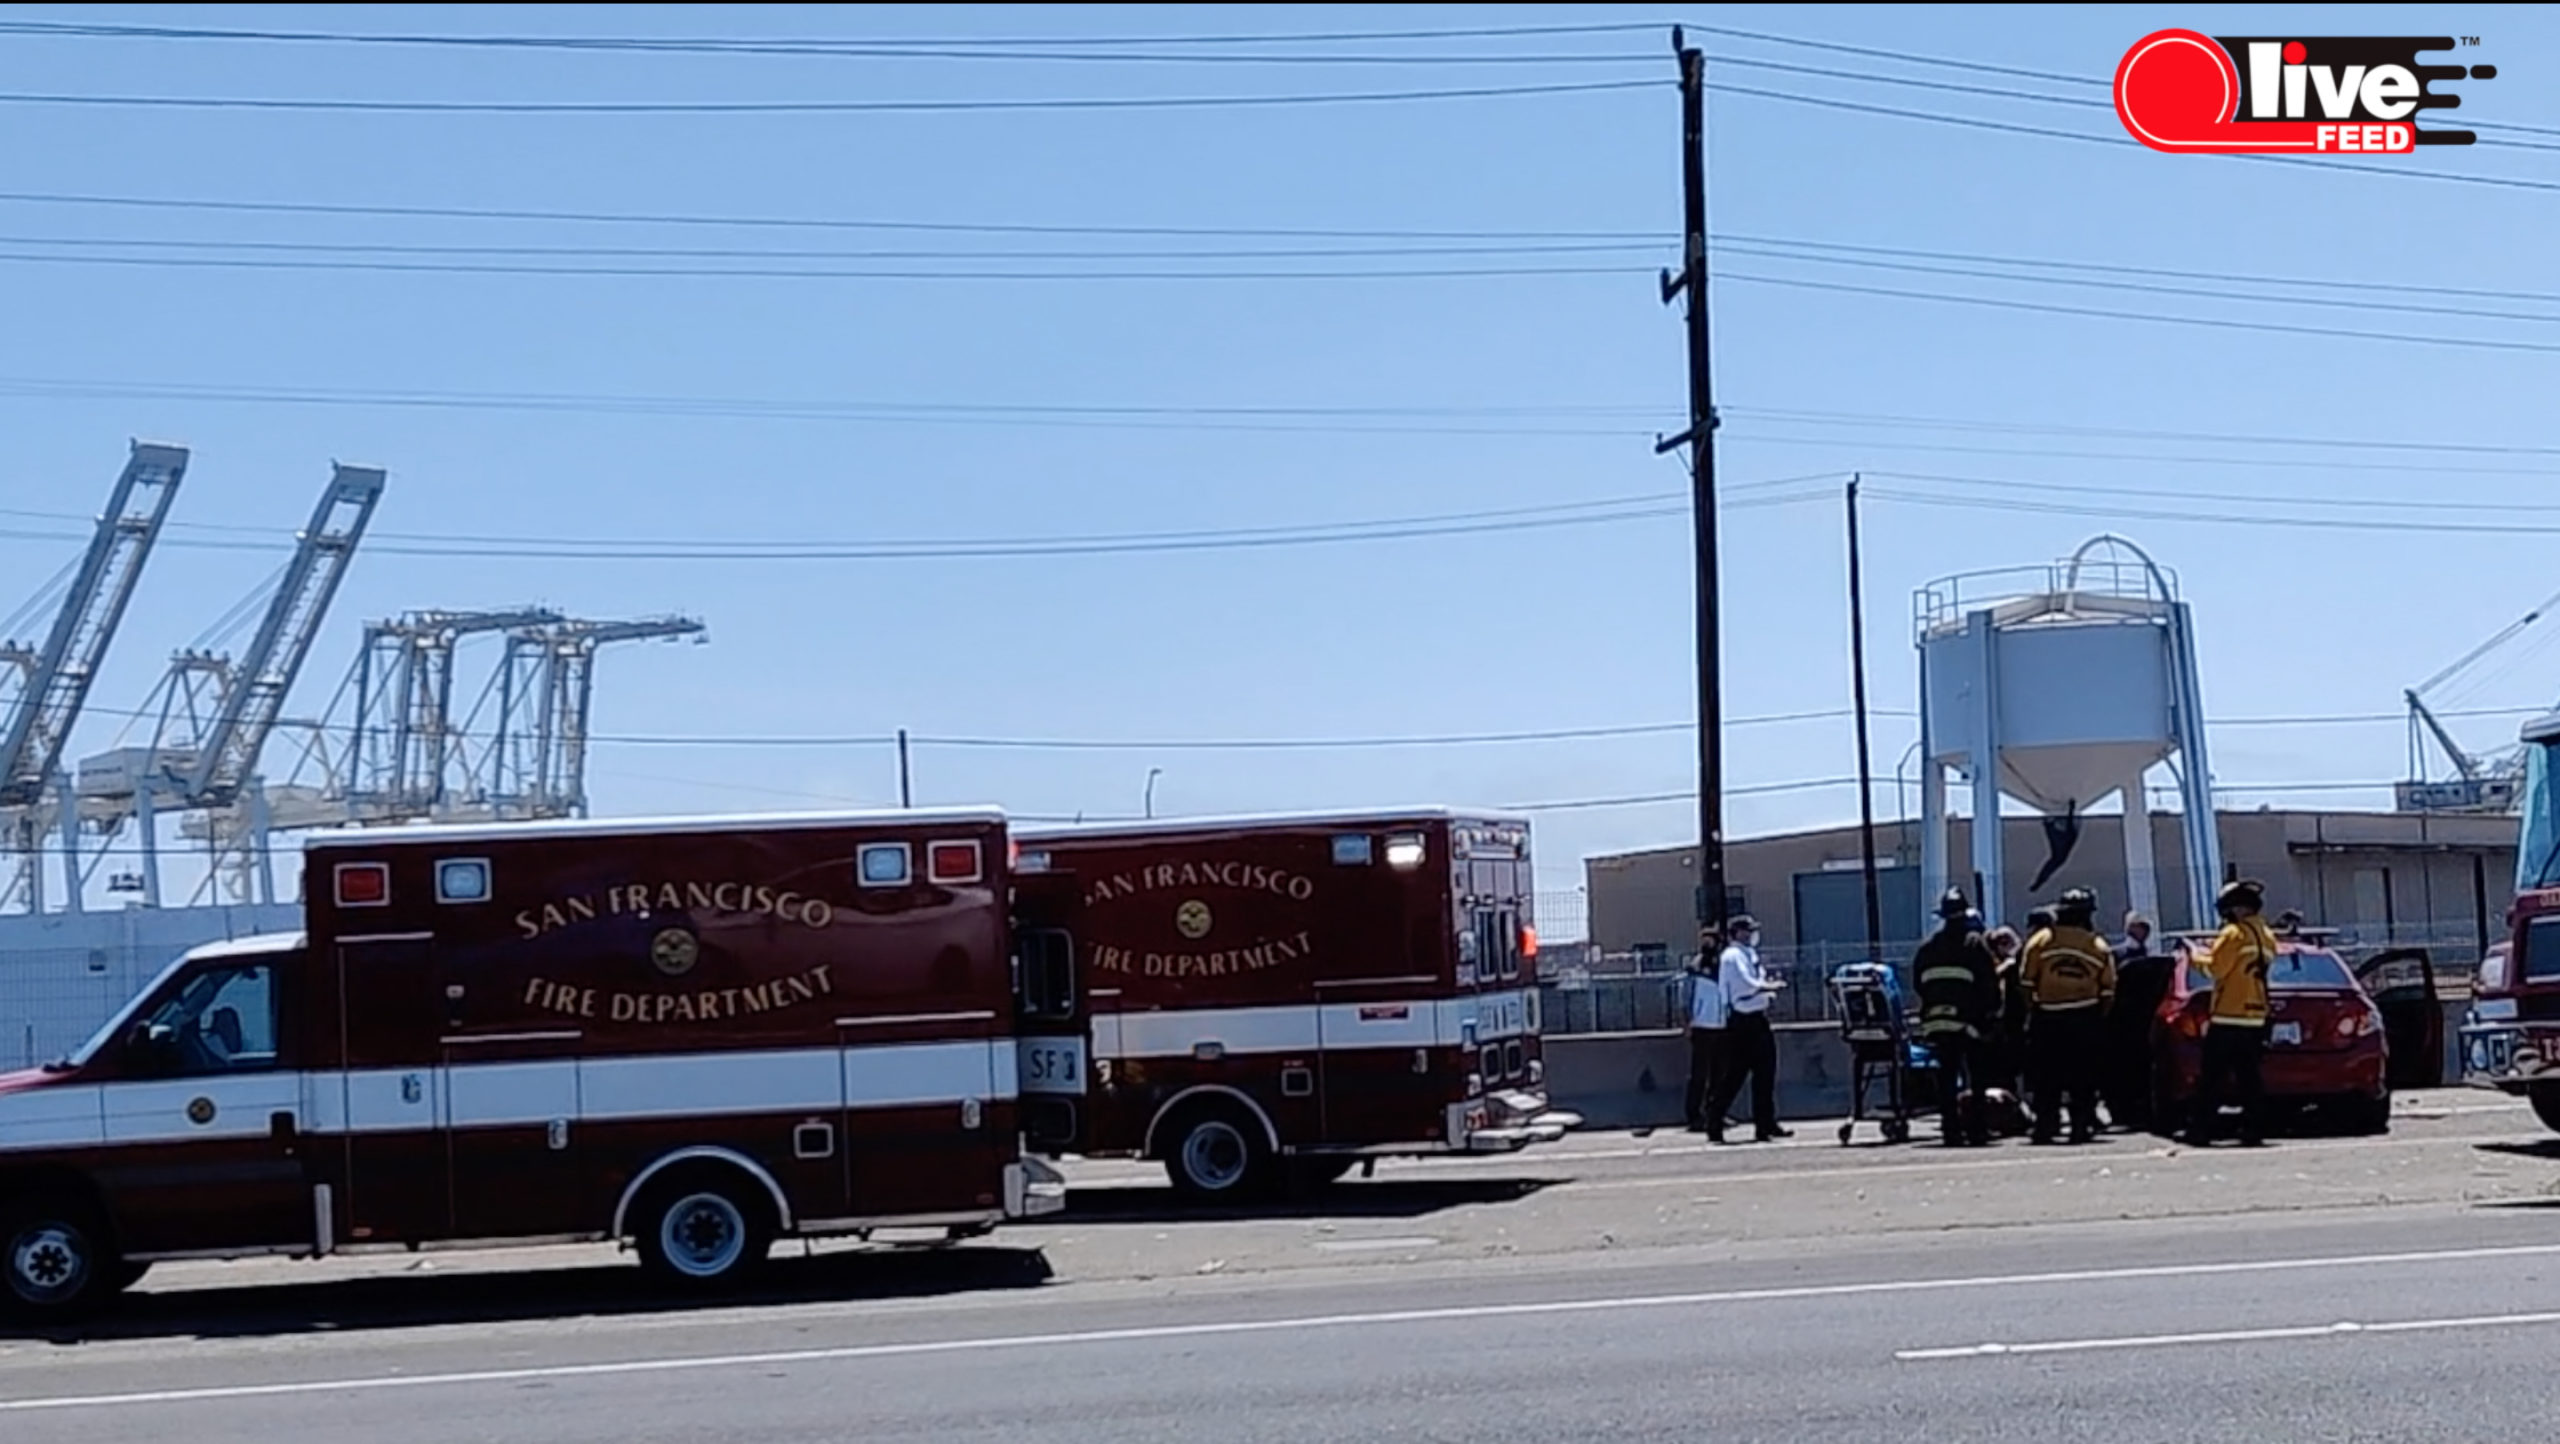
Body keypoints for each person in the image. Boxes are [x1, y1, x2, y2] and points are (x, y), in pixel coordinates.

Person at [2020, 887, 2117, 1145]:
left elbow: (2027, 983)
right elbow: (2108, 990)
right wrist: (2098, 1016)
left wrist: (2035, 1010)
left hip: (2048, 1017)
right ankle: (2081, 1125)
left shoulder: (2040, 941)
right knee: (2083, 1078)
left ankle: (2045, 1126)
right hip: (2085, 1017)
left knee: (2046, 1078)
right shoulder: (2098, 946)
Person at [2190, 879, 2279, 1148]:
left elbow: (2215, 970)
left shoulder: (2233, 934)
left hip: (2228, 1016)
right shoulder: (2266, 935)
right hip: (2255, 1016)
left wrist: (2195, 955)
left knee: (2212, 1079)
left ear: (2238, 909)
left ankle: (2201, 1130)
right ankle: (2253, 1129)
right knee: (2250, 1078)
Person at [1912, 888, 2000, 1147]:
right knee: (1977, 1077)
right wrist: (1991, 1014)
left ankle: (1950, 1130)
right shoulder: (1975, 944)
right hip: (1967, 1022)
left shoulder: (1928, 947)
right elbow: (1989, 984)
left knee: (1946, 1078)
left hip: (1937, 1023)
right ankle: (1976, 1129)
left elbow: (1919, 983)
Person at [1706, 915, 1792, 1142]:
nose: (1752, 934)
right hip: (1742, 1022)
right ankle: (1714, 1121)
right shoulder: (1732, 956)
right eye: (1747, 931)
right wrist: (1767, 986)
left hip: (1757, 1019)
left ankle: (1766, 1123)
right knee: (1734, 1076)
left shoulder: (1749, 954)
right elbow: (1745, 984)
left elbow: (1758, 977)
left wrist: (1766, 987)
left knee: (1765, 1074)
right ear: (1736, 934)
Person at [2102, 911, 2170, 1132]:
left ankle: (2142, 1111)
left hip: (2145, 1024)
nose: (2142, 931)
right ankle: (2122, 1111)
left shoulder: (2155, 958)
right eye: (2139, 926)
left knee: (2142, 1069)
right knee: (2119, 1069)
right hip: (2119, 1023)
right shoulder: (2116, 955)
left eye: (2145, 927)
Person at [1681, 924, 1731, 1138]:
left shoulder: (1724, 966)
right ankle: (1694, 1116)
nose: (1708, 942)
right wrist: (1687, 1022)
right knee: (1699, 1075)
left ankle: (1715, 1113)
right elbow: (1685, 996)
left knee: (1719, 1075)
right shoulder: (1695, 966)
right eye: (1705, 938)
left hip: (1722, 1026)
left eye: (1712, 938)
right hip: (1701, 1026)